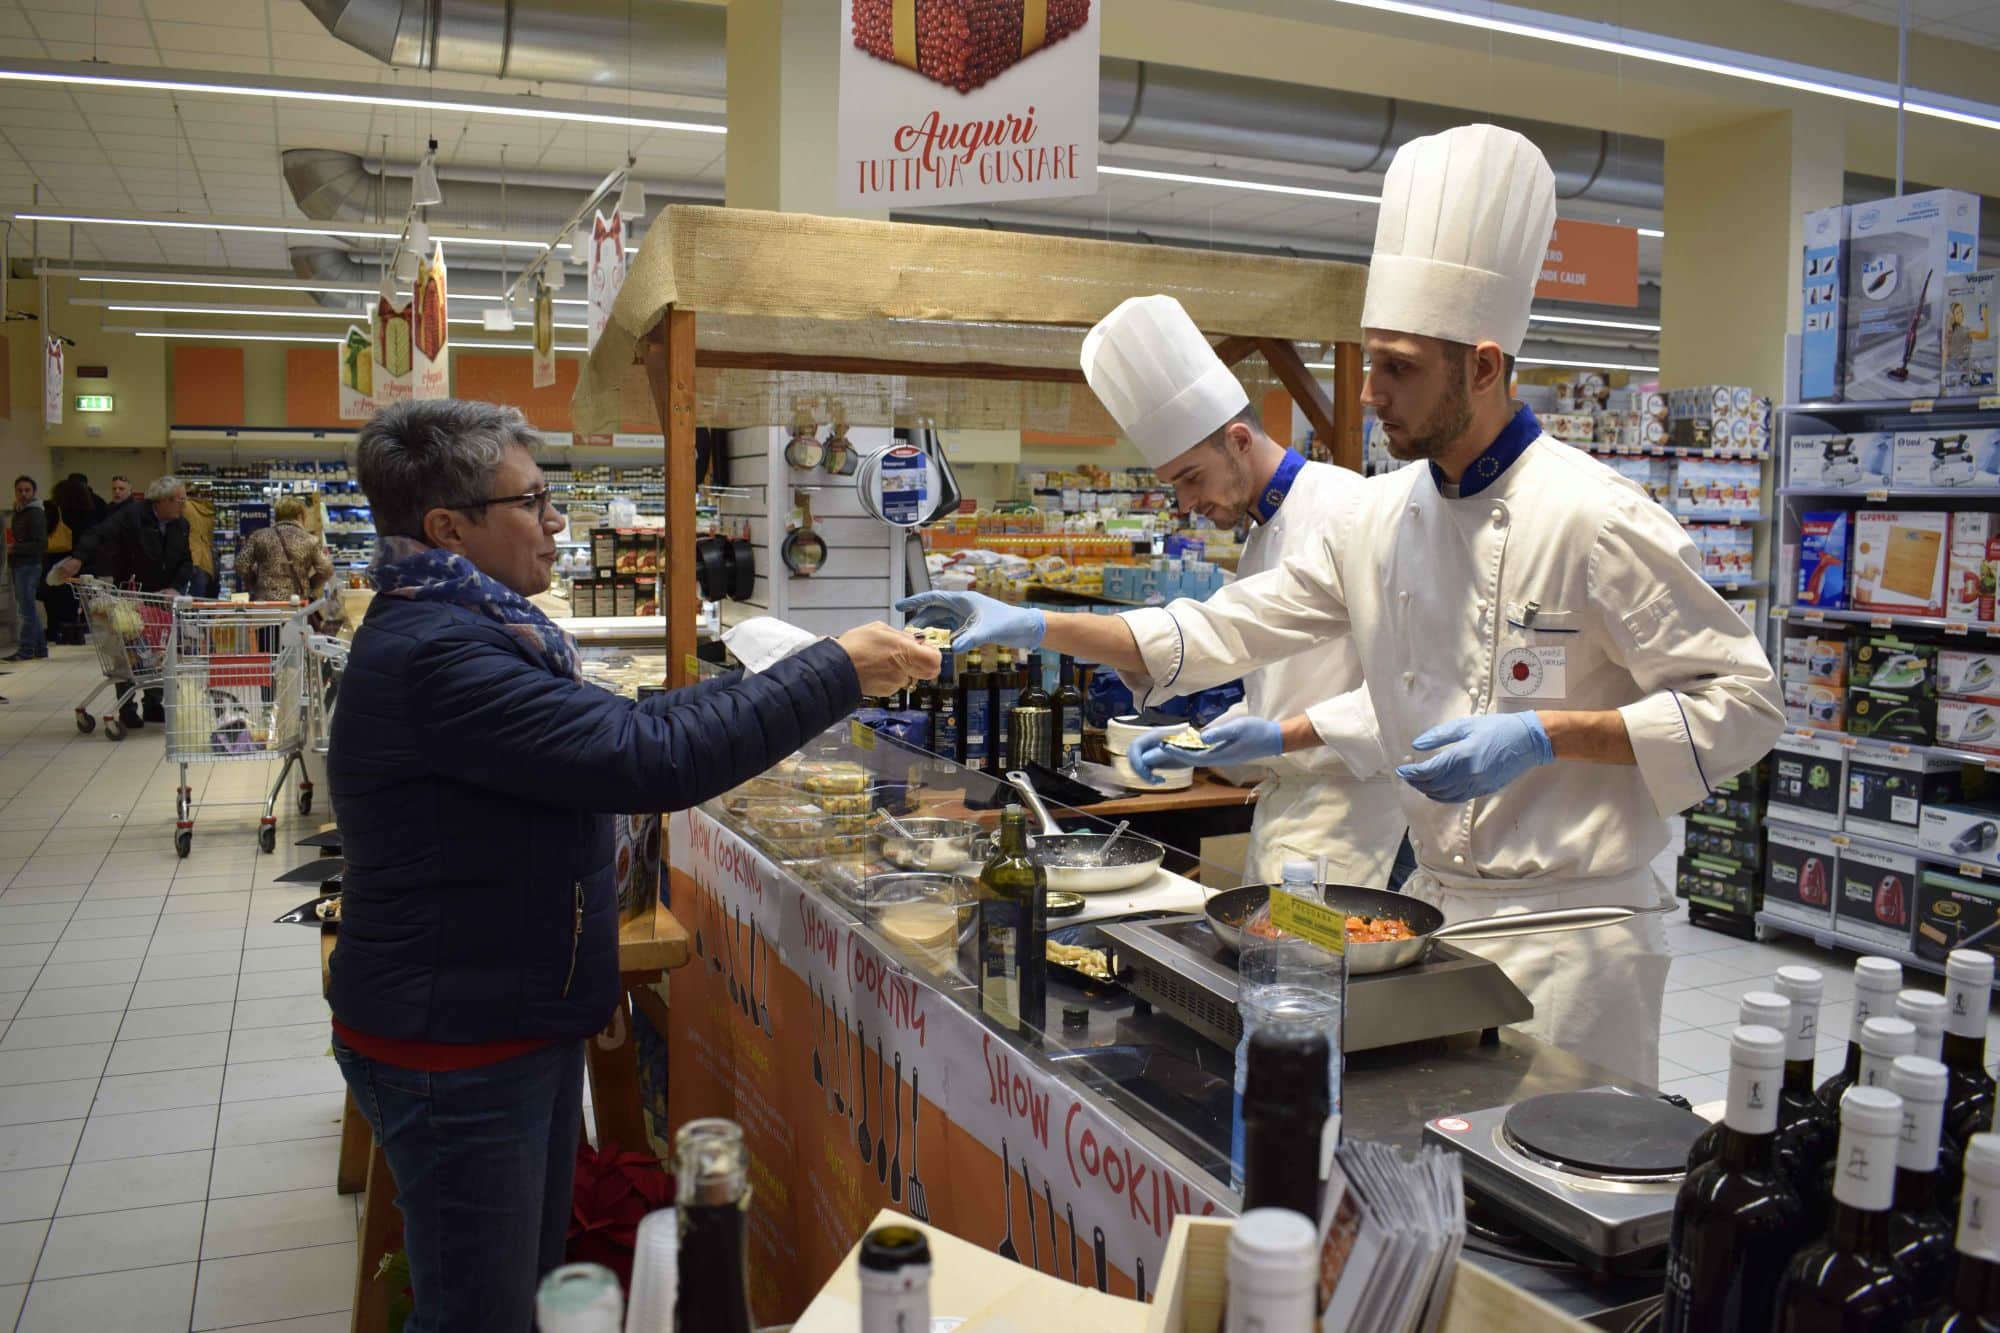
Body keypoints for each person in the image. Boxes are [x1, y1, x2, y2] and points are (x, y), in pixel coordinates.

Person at [901, 125, 1782, 1086]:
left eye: (1398, 368)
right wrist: (1035, 624)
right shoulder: (1388, 519)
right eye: (1371, 363)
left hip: (1576, 937)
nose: (1370, 397)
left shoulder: (1596, 517)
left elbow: (1742, 704)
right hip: (1440, 925)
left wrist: (1545, 734)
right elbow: (1230, 624)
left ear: (1483, 367)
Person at [326, 399, 936, 1333]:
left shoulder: (461, 626)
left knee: (521, 1290)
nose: (557, 521)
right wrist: (835, 665)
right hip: (457, 1041)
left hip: (494, 1014)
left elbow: (626, 741)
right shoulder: (438, 655)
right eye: (532, 502)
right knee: (477, 1315)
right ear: (449, 528)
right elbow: (651, 756)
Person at [1074, 294, 1408, 888]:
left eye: (1191, 478)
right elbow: (1277, 686)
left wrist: (1278, 735)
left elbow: (1398, 694)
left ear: (1239, 439)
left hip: (1357, 821)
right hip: (1287, 812)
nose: (1186, 505)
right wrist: (1199, 739)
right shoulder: (1260, 537)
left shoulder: (1348, 509)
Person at [54, 476, 196, 726]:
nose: (183, 506)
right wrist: (78, 558)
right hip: (130, 594)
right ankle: (127, 708)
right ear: (162, 500)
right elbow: (98, 533)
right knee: (127, 652)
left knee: (156, 651)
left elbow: (186, 560)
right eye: (179, 500)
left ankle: (153, 704)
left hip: (160, 599)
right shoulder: (131, 515)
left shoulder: (180, 525)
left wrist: (175, 587)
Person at [235, 495, 332, 603]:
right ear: (300, 516)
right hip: (296, 602)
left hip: (264, 603)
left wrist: (254, 582)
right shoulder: (310, 540)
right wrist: (309, 585)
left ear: (277, 516)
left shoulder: (259, 536)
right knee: (297, 621)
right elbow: (327, 570)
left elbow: (241, 564)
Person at [7, 476, 48, 661]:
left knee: (26, 610)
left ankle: (26, 649)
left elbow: (40, 544)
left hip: (29, 565)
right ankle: (40, 648)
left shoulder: (35, 513)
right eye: (20, 490)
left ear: (33, 492)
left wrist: (14, 548)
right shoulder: (21, 511)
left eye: (27, 490)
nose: (23, 494)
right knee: (28, 608)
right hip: (21, 564)